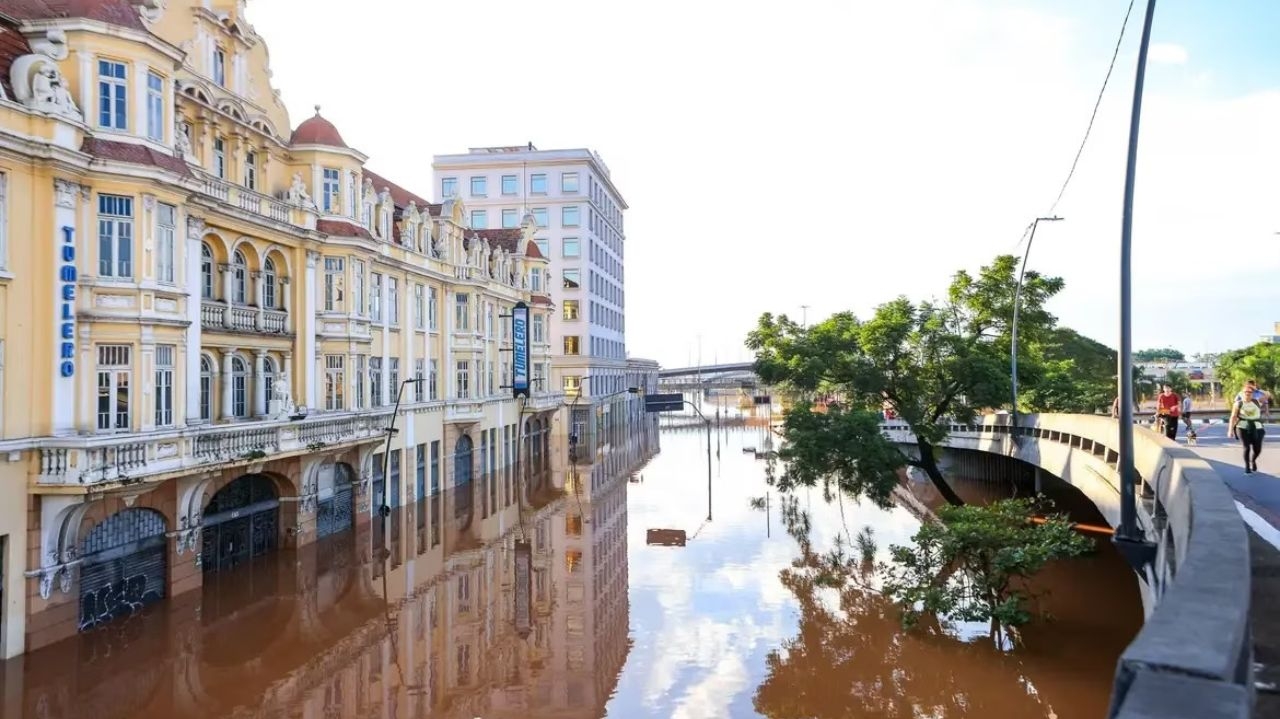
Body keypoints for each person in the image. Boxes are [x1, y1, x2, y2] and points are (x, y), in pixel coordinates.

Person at [1230, 386, 1267, 474]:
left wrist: (1256, 389)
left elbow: (1267, 394)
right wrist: (1230, 430)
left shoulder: (1257, 402)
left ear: (1252, 394)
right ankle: (1247, 467)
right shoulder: (1238, 404)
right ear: (1242, 393)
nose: (1247, 394)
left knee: (1257, 449)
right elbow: (1233, 417)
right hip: (1243, 427)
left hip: (1257, 427)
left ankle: (1253, 460)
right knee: (1246, 447)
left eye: (1250, 392)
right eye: (1245, 392)